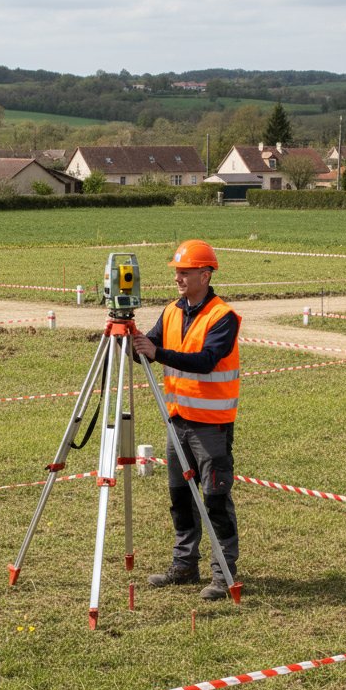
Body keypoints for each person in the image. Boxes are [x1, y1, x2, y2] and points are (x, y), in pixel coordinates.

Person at [132, 239, 241, 600]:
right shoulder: (172, 311)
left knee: (214, 498)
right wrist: (132, 340)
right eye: (176, 272)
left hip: (210, 425)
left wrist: (158, 351)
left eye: (185, 272)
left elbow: (207, 360)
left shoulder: (222, 316)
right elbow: (148, 350)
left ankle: (223, 575)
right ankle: (184, 565)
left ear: (205, 275)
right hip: (176, 420)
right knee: (180, 497)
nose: (178, 277)